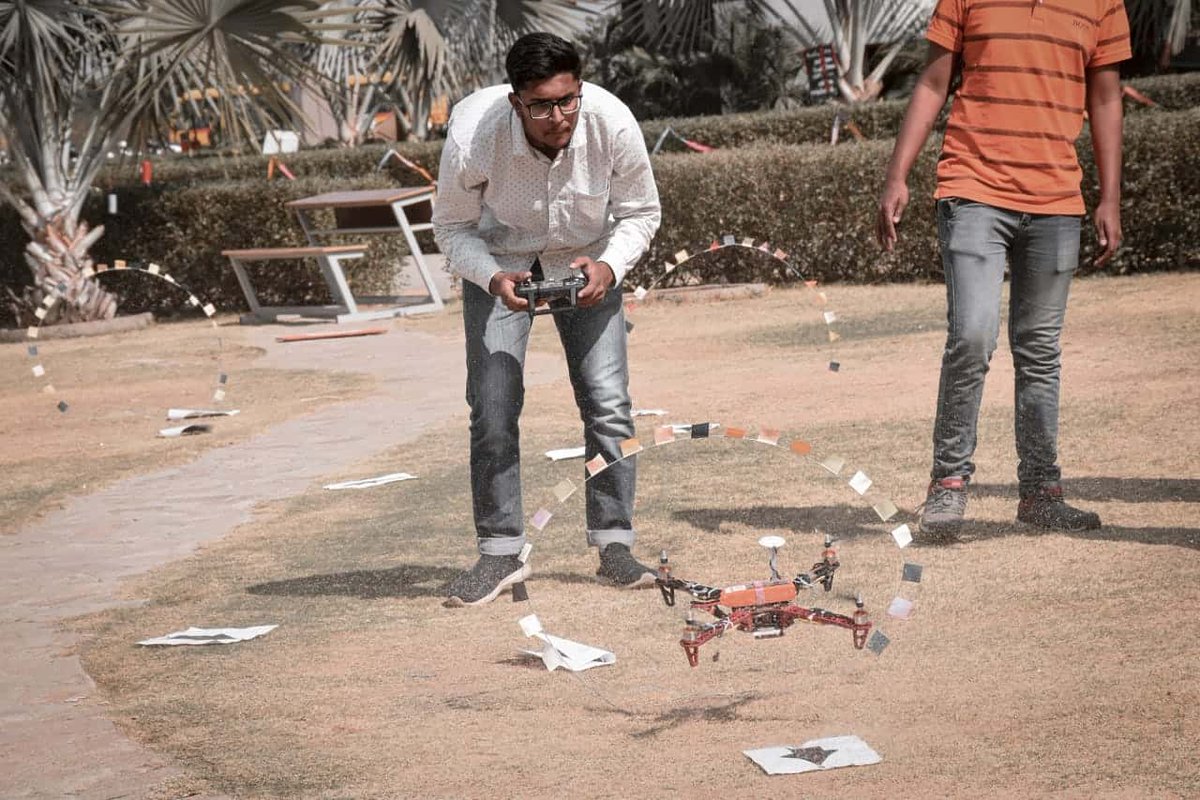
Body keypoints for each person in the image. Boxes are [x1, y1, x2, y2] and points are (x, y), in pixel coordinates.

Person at [877, 0, 1130, 536]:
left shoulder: (1104, 4)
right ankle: (947, 485)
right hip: (972, 190)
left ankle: (1040, 494)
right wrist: (898, 174)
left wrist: (1111, 197)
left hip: (1058, 199)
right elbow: (933, 80)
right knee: (971, 336)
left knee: (1040, 350)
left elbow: (1106, 97)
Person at [433, 32, 662, 605]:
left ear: (579, 89)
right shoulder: (471, 134)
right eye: (541, 105)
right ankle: (499, 555)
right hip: (502, 262)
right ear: (516, 102)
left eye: (567, 100)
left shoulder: (612, 121)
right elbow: (451, 227)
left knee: (609, 404)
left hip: (588, 263)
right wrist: (492, 278)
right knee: (492, 405)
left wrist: (608, 266)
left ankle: (615, 547)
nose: (558, 117)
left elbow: (641, 212)